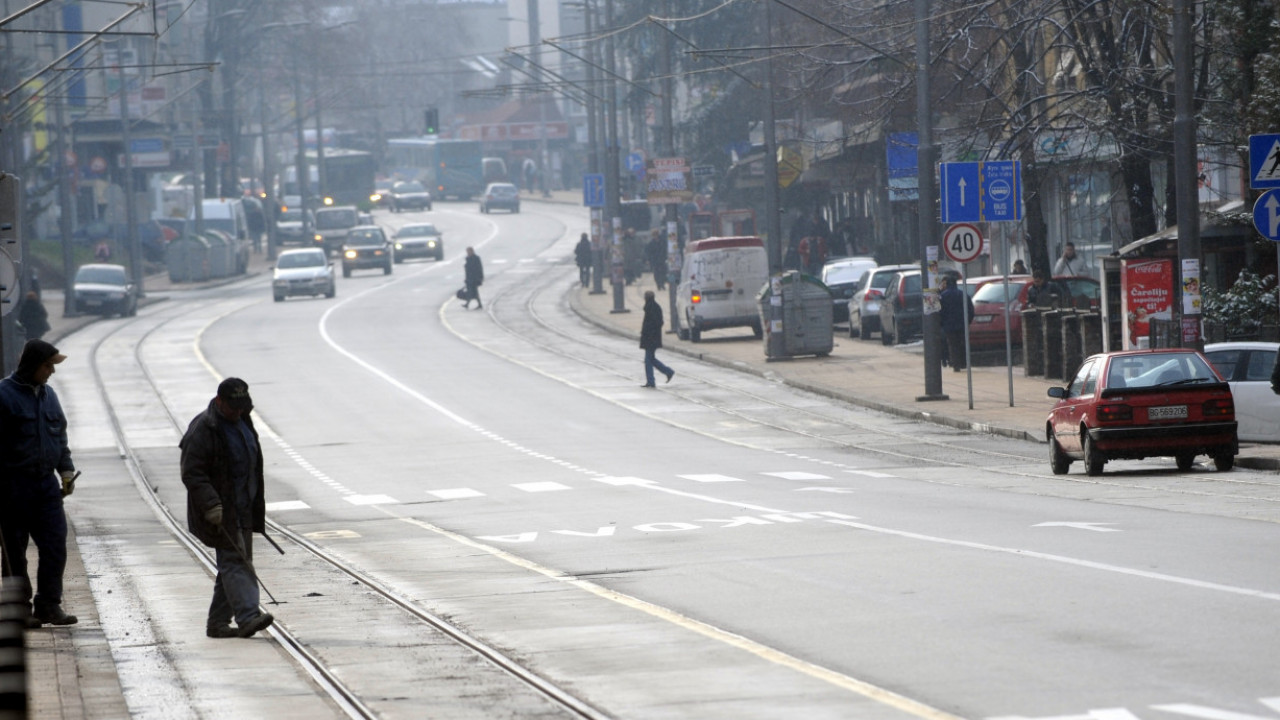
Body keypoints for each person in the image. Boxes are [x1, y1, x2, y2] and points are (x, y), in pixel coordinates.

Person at [179, 378, 274, 639]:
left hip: (243, 508)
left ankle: (218, 623)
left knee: (234, 565)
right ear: (219, 401)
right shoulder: (203, 428)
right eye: (233, 407)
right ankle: (248, 616)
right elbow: (192, 472)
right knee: (236, 562)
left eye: (241, 407)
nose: (237, 412)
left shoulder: (243, 420)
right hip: (220, 511)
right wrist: (211, 504)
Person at [0, 339, 79, 627]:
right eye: (48, 366)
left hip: (45, 487)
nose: (51, 372)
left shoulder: (50, 396)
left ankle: (48, 605)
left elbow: (59, 437)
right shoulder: (4, 396)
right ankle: (18, 609)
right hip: (13, 487)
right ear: (33, 365)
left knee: (55, 545)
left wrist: (66, 472)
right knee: (14, 552)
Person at [639, 291, 675, 388]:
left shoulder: (651, 308)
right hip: (652, 338)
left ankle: (651, 381)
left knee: (648, 360)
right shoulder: (653, 307)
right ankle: (668, 371)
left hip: (651, 338)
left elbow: (656, 323)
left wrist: (649, 333)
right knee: (651, 359)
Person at [939, 276, 974, 371]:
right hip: (962, 324)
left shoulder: (943, 296)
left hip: (949, 325)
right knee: (962, 343)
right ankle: (963, 363)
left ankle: (956, 364)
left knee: (952, 344)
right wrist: (968, 321)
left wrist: (941, 323)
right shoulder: (963, 295)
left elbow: (940, 311)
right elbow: (970, 310)